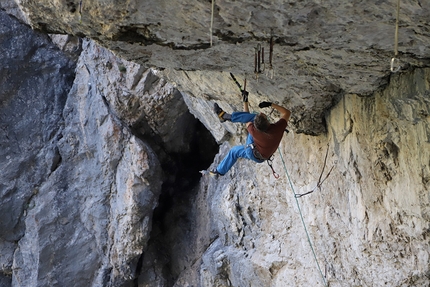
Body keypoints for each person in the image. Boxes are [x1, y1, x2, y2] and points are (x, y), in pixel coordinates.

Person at [210, 96, 291, 177]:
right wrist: (271, 104)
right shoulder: (278, 128)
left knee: (253, 117)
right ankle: (218, 172)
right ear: (267, 122)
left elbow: (247, 118)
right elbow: (287, 112)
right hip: (260, 157)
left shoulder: (254, 131)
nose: (260, 113)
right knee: (234, 151)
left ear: (256, 127)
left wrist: (245, 102)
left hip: (252, 151)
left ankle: (225, 116)